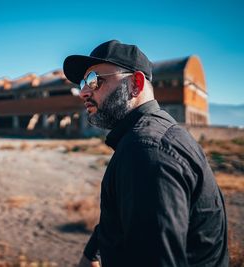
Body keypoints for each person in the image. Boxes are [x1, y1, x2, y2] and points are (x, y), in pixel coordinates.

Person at [62, 40, 229, 267]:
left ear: (136, 84)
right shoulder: (154, 135)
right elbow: (126, 213)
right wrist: (93, 252)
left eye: (94, 81)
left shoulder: (147, 150)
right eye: (84, 82)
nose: (83, 92)